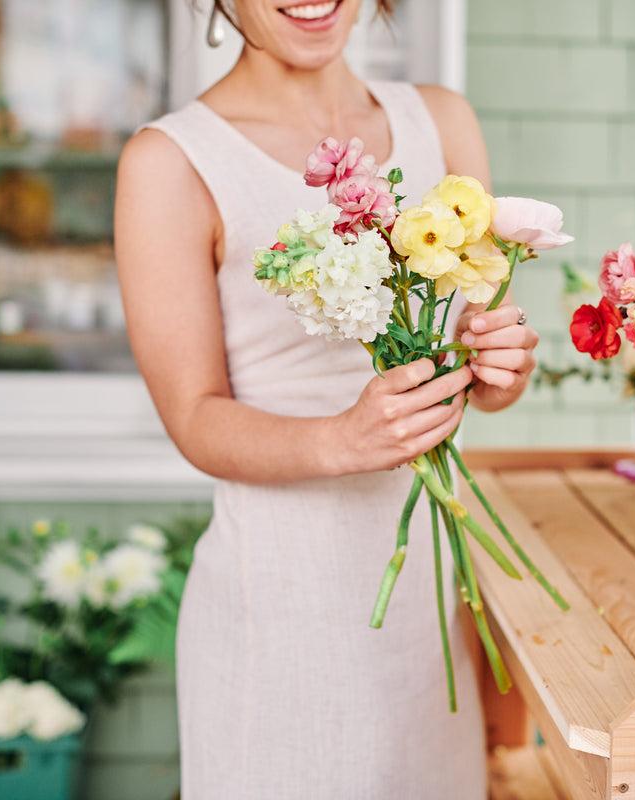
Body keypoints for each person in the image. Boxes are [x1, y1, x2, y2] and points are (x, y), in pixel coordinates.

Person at [114, 1, 539, 796]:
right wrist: (343, 440)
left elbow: (470, 375)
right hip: (279, 615)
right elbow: (194, 416)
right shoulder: (173, 161)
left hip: (427, 608)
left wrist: (499, 369)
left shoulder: (442, 122)